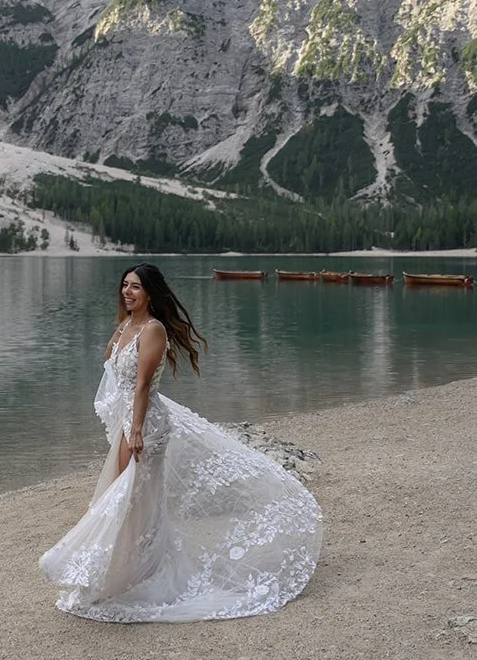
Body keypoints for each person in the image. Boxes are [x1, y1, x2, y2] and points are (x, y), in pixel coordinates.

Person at [40, 263, 322, 621]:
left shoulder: (154, 330)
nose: (128, 292)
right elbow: (113, 365)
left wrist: (137, 429)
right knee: (129, 500)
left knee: (124, 498)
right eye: (125, 286)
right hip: (129, 420)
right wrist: (117, 340)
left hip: (144, 423)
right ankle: (120, 574)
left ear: (151, 294)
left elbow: (143, 385)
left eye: (136, 288)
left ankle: (123, 576)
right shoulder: (127, 325)